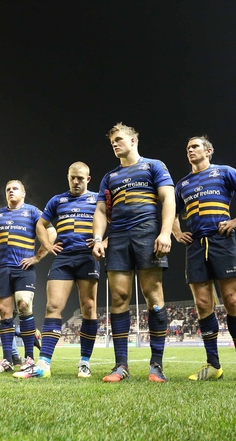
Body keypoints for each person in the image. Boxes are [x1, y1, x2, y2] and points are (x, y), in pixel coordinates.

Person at [171, 136, 236, 382]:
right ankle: (213, 365)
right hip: (196, 246)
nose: (190, 150)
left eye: (195, 146)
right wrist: (177, 232)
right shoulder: (182, 184)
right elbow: (170, 212)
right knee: (202, 303)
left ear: (208, 151)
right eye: (188, 147)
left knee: (232, 300)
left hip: (222, 241)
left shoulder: (224, 172)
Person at [92, 122, 175, 383]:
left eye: (119, 139)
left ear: (133, 140)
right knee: (119, 297)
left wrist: (164, 232)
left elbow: (168, 199)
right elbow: (102, 211)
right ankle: (121, 366)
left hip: (147, 233)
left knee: (153, 295)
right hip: (117, 238)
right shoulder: (109, 177)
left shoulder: (154, 166)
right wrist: (97, 238)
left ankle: (156, 365)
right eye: (112, 141)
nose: (115, 144)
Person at [14, 162, 101, 379]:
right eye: (72, 177)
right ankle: (43, 364)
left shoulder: (97, 199)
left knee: (89, 308)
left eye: (80, 178)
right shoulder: (57, 200)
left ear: (88, 179)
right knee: (53, 306)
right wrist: (48, 246)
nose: (76, 181)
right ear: (68, 177)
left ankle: (84, 362)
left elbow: (116, 222)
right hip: (63, 259)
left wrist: (104, 242)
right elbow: (41, 225)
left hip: (87, 258)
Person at [0, 180, 49, 373]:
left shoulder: (33, 212)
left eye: (15, 188)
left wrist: (37, 257)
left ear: (23, 193)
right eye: (8, 189)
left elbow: (51, 232)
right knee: (4, 312)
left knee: (24, 305)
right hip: (1, 269)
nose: (11, 191)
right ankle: (7, 360)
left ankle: (28, 359)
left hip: (23, 268)